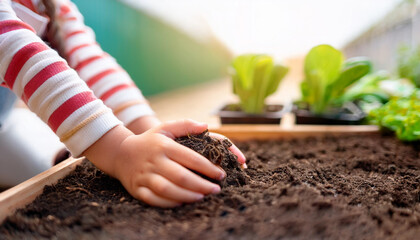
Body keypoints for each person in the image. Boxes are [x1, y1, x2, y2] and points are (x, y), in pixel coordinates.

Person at [0, 0, 246, 207]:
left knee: (55, 162)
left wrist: (151, 132)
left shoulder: (55, 7)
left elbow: (93, 65)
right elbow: (13, 47)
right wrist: (118, 151)